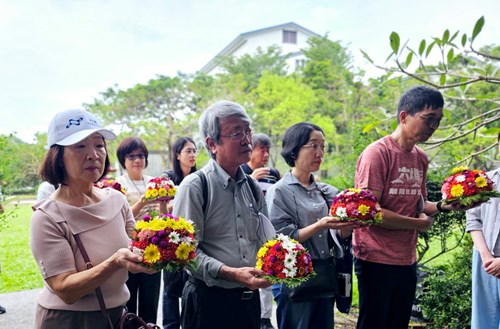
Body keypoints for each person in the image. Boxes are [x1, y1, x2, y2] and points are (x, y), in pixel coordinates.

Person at [29, 109, 155, 328]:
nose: (94, 155)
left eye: (99, 145)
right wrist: (115, 262)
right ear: (57, 156)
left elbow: (137, 245)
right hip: (69, 321)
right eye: (80, 146)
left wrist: (160, 253)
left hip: (117, 316)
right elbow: (65, 289)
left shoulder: (117, 200)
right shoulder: (47, 217)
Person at [353, 86, 462, 329]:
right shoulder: (377, 154)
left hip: (405, 259)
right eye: (429, 118)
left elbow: (419, 205)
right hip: (375, 257)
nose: (433, 126)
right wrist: (418, 224)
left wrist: (446, 206)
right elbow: (369, 213)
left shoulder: (420, 157)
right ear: (404, 117)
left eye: (438, 120)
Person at [172, 100, 272, 329]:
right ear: (212, 143)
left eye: (248, 131)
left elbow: (265, 239)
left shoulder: (253, 187)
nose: (248, 140)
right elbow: (184, 254)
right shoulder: (195, 186)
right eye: (237, 132)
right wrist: (230, 273)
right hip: (208, 303)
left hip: (248, 302)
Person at [265, 122, 357, 329]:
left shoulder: (328, 191)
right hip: (294, 280)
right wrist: (320, 225)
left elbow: (338, 238)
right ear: (294, 149)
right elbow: (279, 240)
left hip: (324, 275)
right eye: (313, 146)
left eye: (322, 146)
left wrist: (348, 227)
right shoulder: (280, 191)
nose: (320, 153)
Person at [115, 137, 163, 324]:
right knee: (129, 299)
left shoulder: (154, 182)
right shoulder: (118, 185)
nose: (137, 160)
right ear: (123, 160)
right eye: (131, 156)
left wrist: (164, 204)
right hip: (130, 246)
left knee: (150, 300)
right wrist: (143, 201)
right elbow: (121, 217)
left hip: (156, 246)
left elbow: (163, 216)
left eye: (141, 155)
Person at [241, 133, 280, 329]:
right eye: (261, 149)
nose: (265, 154)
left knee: (267, 271)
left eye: (267, 150)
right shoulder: (241, 171)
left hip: (268, 230)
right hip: (246, 231)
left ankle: (265, 318)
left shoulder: (274, 174)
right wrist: (251, 178)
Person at [161, 136, 197, 329]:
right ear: (177, 155)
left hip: (193, 240)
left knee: (191, 286)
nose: (192, 155)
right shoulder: (168, 178)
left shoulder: (199, 178)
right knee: (170, 288)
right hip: (171, 241)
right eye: (188, 151)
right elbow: (162, 212)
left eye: (194, 151)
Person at [465, 131, 500, 329]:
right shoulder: (486, 182)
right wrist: (486, 257)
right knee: (483, 320)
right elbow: (473, 218)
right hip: (484, 261)